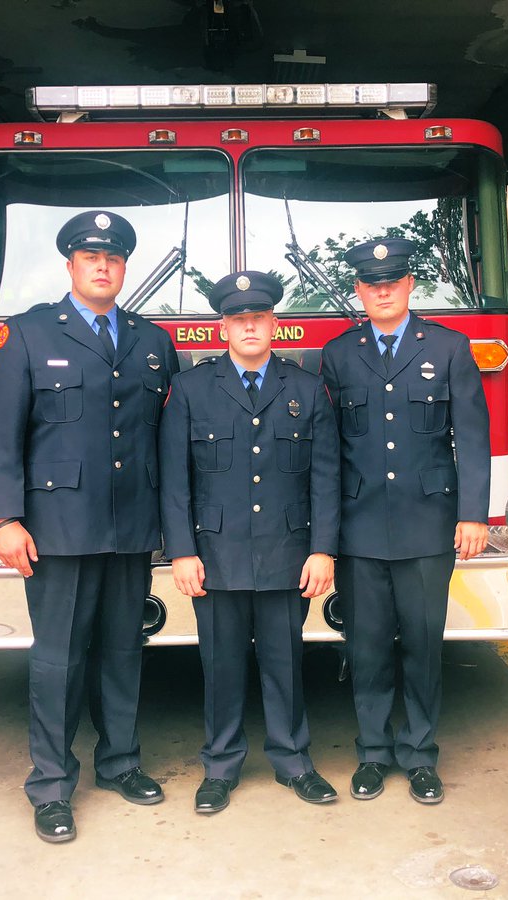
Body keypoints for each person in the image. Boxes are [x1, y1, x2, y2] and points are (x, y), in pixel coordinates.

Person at [0, 210, 180, 843]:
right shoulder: (32, 334)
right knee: (58, 659)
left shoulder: (152, 342)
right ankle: (51, 786)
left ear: (125, 267)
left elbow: (165, 438)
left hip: (129, 526)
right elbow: (2, 435)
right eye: (91, 257)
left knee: (123, 651)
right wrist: (6, 517)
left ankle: (120, 763)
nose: (103, 266)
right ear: (70, 265)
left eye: (114, 258)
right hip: (57, 527)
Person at [159, 270, 340, 814]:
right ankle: (219, 767)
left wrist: (323, 549)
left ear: (275, 324)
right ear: (223, 328)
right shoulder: (192, 388)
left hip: (288, 552)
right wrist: (182, 551)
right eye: (239, 319)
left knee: (285, 661)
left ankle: (293, 762)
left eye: (259, 317)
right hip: (215, 555)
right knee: (221, 665)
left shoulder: (305, 387)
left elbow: (324, 476)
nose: (250, 327)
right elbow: (175, 477)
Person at [319, 238, 491, 805]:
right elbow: (330, 448)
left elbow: (471, 436)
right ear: (359, 291)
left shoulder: (447, 348)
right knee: (366, 646)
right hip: (360, 526)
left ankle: (420, 755)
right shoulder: (339, 354)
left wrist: (472, 514)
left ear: (410, 284)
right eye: (371, 282)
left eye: (392, 279)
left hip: (428, 525)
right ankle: (371, 754)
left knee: (422, 643)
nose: (383, 289)